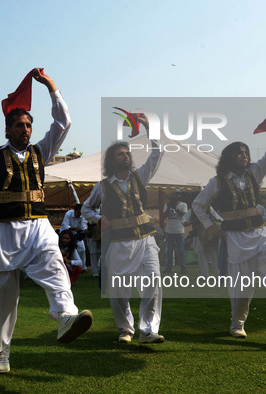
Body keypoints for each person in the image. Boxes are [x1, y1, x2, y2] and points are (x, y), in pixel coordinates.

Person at [0, 68, 92, 374]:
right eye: (20, 125)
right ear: (8, 129)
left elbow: (63, 123)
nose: (26, 129)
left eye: (29, 124)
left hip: (39, 226)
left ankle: (66, 317)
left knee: (56, 265)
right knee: (4, 297)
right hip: (5, 231)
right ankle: (1, 354)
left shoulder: (40, 152)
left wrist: (52, 88)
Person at [192, 107, 266, 339]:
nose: (244, 155)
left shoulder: (255, 173)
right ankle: (237, 323)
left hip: (259, 233)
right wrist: (210, 226)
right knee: (242, 287)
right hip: (234, 238)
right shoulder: (217, 182)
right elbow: (197, 205)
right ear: (230, 157)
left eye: (246, 152)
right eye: (239, 153)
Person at [82, 115, 165, 345]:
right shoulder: (103, 186)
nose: (126, 156)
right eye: (121, 154)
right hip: (118, 242)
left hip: (145, 238)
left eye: (127, 153)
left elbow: (158, 153)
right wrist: (99, 220)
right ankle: (125, 329)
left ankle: (148, 330)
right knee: (119, 289)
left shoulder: (141, 176)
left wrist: (150, 127)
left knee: (154, 280)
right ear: (112, 159)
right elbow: (85, 209)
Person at [162, 189, 188, 274]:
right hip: (170, 229)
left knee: (181, 250)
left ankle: (183, 268)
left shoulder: (183, 204)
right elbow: (164, 216)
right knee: (169, 250)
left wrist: (176, 209)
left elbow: (185, 215)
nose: (176, 196)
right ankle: (168, 268)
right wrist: (169, 207)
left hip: (179, 229)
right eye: (175, 194)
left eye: (178, 194)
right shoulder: (167, 205)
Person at [61, 204, 89, 271]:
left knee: (82, 249)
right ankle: (68, 265)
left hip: (77, 235)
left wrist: (84, 230)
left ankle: (83, 267)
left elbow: (83, 225)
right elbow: (65, 226)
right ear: (74, 211)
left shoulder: (82, 215)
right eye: (78, 212)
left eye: (81, 213)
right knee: (67, 250)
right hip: (66, 235)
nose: (79, 214)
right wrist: (75, 228)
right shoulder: (68, 214)